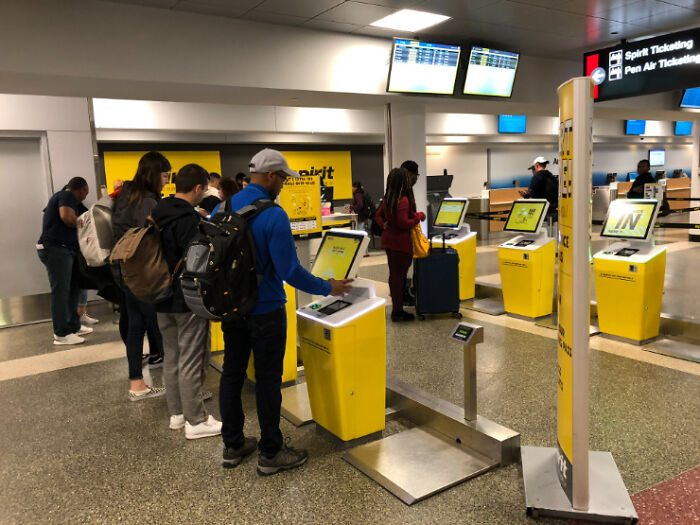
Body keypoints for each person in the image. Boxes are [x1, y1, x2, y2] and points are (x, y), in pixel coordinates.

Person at [216, 148, 352, 473]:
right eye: (282, 179)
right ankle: (270, 453)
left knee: (232, 374)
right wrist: (328, 287)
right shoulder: (274, 215)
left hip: (232, 307)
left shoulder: (222, 207)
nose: (283, 186)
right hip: (266, 310)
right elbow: (290, 271)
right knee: (267, 381)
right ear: (272, 176)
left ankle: (233, 445)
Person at [152, 164, 221, 439]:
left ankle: (177, 415)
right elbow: (199, 261)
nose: (205, 193)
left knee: (173, 357)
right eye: (204, 189)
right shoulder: (188, 220)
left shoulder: (158, 212)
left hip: (160, 296)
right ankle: (196, 420)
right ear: (197, 189)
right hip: (186, 299)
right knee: (192, 357)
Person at [112, 151, 168, 401]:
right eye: (166, 175)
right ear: (154, 174)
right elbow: (154, 237)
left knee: (136, 326)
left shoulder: (125, 194)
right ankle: (180, 392)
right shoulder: (147, 201)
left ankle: (137, 384)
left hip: (122, 269)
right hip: (142, 273)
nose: (167, 180)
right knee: (162, 327)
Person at [37, 177, 93, 345]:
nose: (84, 197)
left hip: (64, 250)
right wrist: (85, 227)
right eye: (85, 193)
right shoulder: (67, 195)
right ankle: (61, 334)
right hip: (56, 249)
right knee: (60, 291)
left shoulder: (67, 198)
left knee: (74, 286)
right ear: (81, 189)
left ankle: (73, 326)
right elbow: (67, 218)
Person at [374, 168, 425, 323]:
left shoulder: (388, 198)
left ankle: (397, 307)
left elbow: (378, 215)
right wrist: (419, 216)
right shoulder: (403, 200)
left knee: (394, 276)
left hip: (389, 241)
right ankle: (397, 311)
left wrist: (384, 225)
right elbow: (404, 223)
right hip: (401, 243)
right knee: (399, 277)